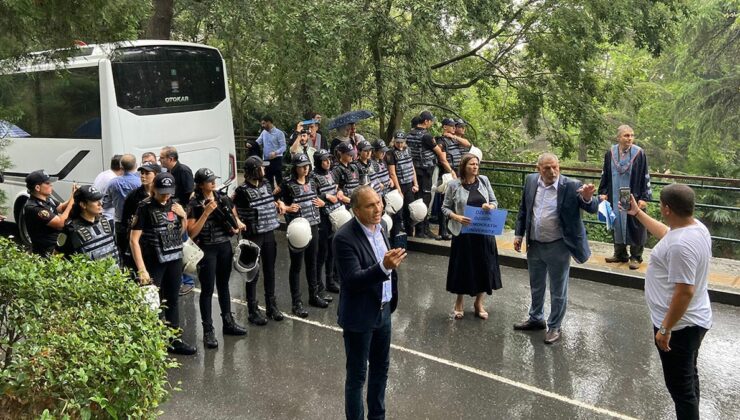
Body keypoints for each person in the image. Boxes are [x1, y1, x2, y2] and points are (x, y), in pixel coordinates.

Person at [624, 184, 712, 420]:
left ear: (666, 208)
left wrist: (665, 329)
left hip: (680, 327)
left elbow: (685, 292)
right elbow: (666, 232)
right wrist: (638, 213)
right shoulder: (696, 228)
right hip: (693, 321)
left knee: (681, 390)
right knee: (688, 378)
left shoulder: (680, 246)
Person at [334, 185, 406, 420]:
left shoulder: (383, 225)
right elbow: (353, 280)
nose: (378, 208)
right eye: (370, 205)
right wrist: (384, 267)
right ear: (356, 210)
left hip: (383, 311)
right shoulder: (343, 238)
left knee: (381, 370)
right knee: (357, 377)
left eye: (379, 202)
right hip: (359, 316)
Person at [512, 153, 598, 344]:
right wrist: (519, 235)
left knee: (558, 289)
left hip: (559, 245)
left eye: (555, 167)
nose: (552, 172)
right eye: (546, 168)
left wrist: (587, 198)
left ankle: (554, 326)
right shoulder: (531, 181)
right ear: (538, 169)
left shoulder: (572, 185)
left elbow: (593, 207)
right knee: (536, 284)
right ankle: (536, 318)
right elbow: (524, 209)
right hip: (534, 243)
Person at [129, 172, 196, 355]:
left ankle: (174, 339)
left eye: (168, 192)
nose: (166, 195)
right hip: (154, 260)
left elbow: (178, 233)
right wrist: (142, 269)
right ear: (154, 189)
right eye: (162, 192)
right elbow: (134, 240)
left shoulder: (174, 205)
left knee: (173, 299)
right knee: (152, 302)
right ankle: (152, 342)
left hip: (174, 258)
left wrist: (183, 217)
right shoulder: (144, 207)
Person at [187, 168, 247, 349]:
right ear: (200, 184)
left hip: (224, 247)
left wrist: (238, 224)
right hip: (207, 248)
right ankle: (208, 331)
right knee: (207, 289)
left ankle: (228, 323)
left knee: (223, 286)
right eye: (208, 180)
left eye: (214, 179)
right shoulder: (194, 204)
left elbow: (234, 217)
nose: (213, 183)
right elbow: (191, 232)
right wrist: (205, 213)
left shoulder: (222, 198)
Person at [442, 154, 501, 320]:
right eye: (471, 165)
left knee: (484, 266)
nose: (475, 167)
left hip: (483, 232)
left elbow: (495, 201)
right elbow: (445, 208)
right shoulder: (454, 185)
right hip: (463, 233)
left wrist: (489, 206)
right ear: (464, 167)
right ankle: (459, 301)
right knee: (463, 267)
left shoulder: (484, 181)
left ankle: (478, 303)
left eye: (476, 164)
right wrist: (456, 217)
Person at [233, 156, 286, 323]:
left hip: (269, 233)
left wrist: (278, 204)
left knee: (270, 271)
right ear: (255, 170)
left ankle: (272, 306)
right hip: (253, 236)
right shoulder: (241, 191)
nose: (265, 170)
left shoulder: (266, 184)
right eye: (262, 167)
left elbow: (270, 201)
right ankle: (252, 310)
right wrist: (238, 221)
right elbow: (231, 206)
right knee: (252, 273)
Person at [278, 153, 329, 317]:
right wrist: (285, 207)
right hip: (298, 229)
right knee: (296, 265)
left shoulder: (313, 181)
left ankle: (314, 295)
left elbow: (322, 195)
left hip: (313, 225)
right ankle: (296, 302)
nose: (305, 169)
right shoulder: (287, 183)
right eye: (302, 166)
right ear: (295, 167)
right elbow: (273, 198)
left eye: (307, 165)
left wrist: (323, 202)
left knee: (312, 263)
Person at [599, 125, 652, 269]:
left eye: (632, 135)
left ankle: (636, 257)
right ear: (619, 137)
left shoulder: (639, 153)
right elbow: (606, 173)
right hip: (615, 193)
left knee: (635, 224)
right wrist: (603, 191)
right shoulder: (610, 153)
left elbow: (645, 175)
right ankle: (620, 254)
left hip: (632, 194)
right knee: (616, 222)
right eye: (626, 135)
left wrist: (644, 197)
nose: (630, 138)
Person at [406, 111, 455, 239]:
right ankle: (422, 230)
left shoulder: (409, 134)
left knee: (415, 199)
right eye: (431, 121)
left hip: (411, 171)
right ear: (426, 121)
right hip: (425, 171)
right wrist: (450, 171)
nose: (432, 123)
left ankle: (412, 228)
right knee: (425, 200)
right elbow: (440, 153)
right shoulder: (427, 136)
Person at [159, 146, 196, 295]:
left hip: (181, 215)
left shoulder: (183, 171)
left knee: (183, 248)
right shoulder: (168, 172)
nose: (159, 160)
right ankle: (178, 279)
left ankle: (188, 281)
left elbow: (190, 195)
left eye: (162, 157)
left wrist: (184, 215)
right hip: (171, 215)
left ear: (171, 159)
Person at [311, 149, 345, 295]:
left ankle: (330, 281)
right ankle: (319, 284)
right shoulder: (312, 176)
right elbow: (311, 194)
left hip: (334, 214)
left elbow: (338, 186)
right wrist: (325, 196)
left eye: (329, 159)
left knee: (332, 250)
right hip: (322, 218)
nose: (328, 162)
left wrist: (339, 191)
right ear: (318, 161)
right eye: (324, 160)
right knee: (322, 252)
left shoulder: (331, 173)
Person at [57, 185, 119, 264]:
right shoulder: (71, 230)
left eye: (99, 199)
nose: (100, 203)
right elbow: (56, 257)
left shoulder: (106, 221)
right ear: (83, 205)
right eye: (95, 200)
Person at [433, 118, 470, 240]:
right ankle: (442, 230)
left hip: (458, 171)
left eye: (455, 126)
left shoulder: (453, 140)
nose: (454, 128)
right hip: (448, 174)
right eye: (451, 126)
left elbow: (467, 144)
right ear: (444, 127)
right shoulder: (441, 140)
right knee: (446, 201)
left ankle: (451, 228)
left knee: (456, 200)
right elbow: (442, 159)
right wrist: (451, 171)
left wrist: (453, 136)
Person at [120, 162, 160, 273]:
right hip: (142, 244)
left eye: (147, 173)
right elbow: (125, 221)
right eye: (142, 173)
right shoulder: (133, 196)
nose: (143, 176)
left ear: (156, 175)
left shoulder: (163, 194)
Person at [23, 170, 75, 257]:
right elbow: (60, 223)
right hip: (47, 252)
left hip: (57, 246)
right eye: (47, 183)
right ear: (37, 188)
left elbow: (61, 208)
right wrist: (73, 198)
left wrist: (73, 195)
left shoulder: (47, 199)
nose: (51, 185)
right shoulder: (34, 207)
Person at [106, 154, 141, 255]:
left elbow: (106, 203)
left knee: (121, 251)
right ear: (136, 165)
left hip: (120, 222)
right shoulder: (140, 183)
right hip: (137, 222)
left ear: (121, 167)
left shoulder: (112, 183)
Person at [386, 130, 418, 238]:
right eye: (397, 142)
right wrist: (399, 190)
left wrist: (415, 183)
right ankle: (396, 237)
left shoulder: (408, 150)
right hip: (398, 185)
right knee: (398, 214)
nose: (399, 144)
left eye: (401, 142)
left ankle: (410, 236)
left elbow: (411, 166)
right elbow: (392, 173)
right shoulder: (390, 153)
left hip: (409, 184)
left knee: (410, 211)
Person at [255, 115, 287, 190]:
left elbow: (283, 147)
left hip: (277, 159)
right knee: (268, 180)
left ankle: (281, 197)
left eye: (264, 123)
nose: (262, 126)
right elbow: (258, 141)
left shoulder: (279, 133)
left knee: (279, 179)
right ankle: (270, 196)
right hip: (266, 160)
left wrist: (275, 153)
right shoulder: (263, 133)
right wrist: (251, 144)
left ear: (269, 122)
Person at [92, 154, 122, 226]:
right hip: (108, 217)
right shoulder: (114, 180)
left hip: (98, 215)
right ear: (122, 167)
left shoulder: (103, 174)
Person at [332, 142, 360, 207]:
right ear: (341, 154)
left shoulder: (354, 167)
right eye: (349, 154)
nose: (351, 156)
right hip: (346, 204)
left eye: (352, 154)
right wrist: (352, 202)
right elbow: (335, 191)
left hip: (357, 200)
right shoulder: (336, 169)